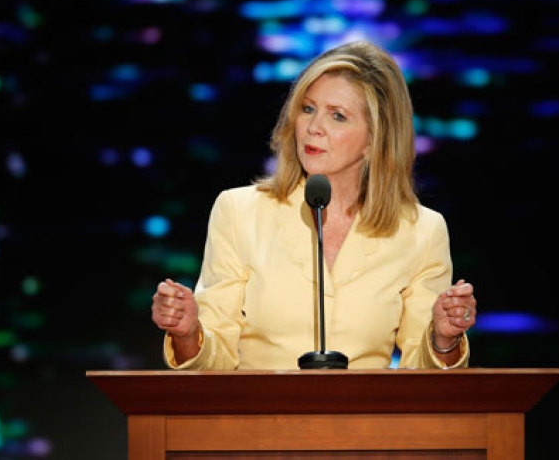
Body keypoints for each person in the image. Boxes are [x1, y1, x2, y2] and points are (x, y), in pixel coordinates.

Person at [151, 40, 477, 370]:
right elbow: (213, 360)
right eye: (308, 109)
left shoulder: (421, 232)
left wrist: (443, 339)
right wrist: (188, 334)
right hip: (257, 417)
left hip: (365, 420)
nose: (313, 127)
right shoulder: (239, 212)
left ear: (374, 139)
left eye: (337, 116)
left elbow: (423, 377)